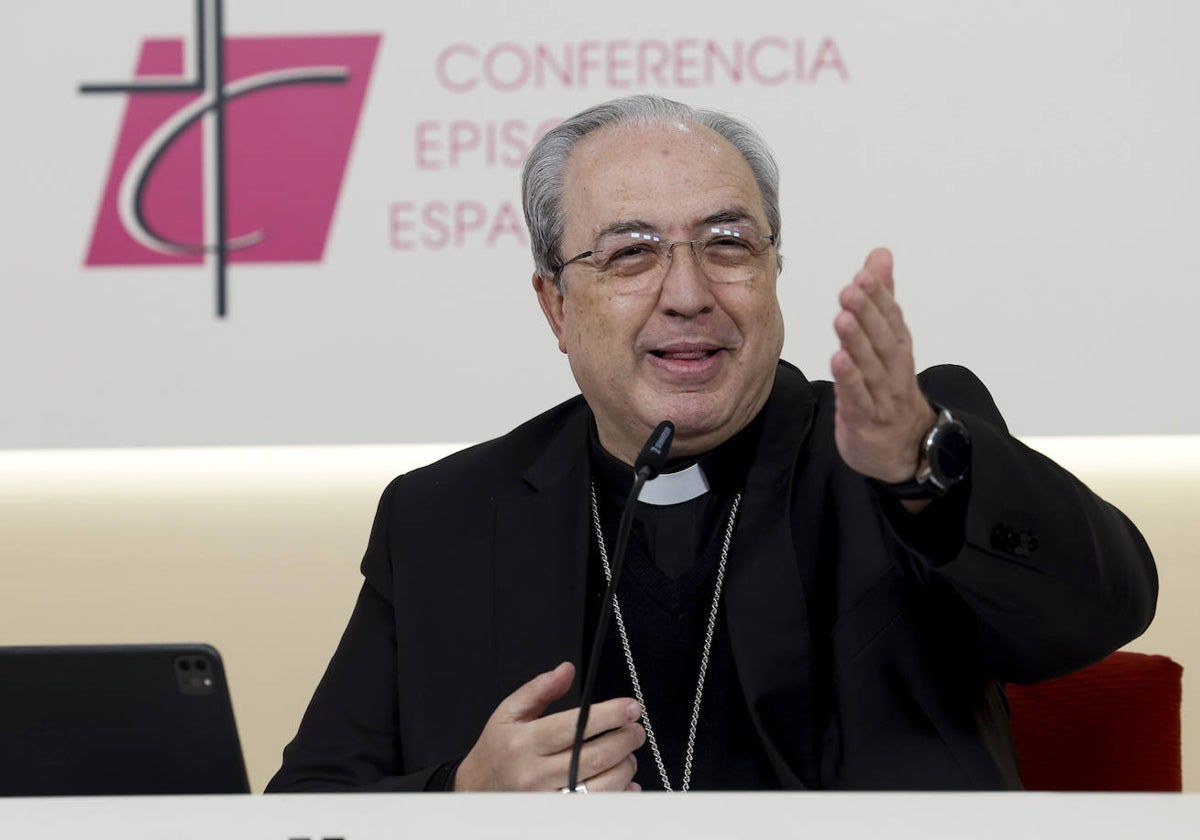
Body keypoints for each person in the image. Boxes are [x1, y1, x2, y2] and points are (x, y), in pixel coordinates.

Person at [266, 94, 1157, 792]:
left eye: (728, 244)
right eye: (631, 254)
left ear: (773, 273)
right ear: (555, 308)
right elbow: (309, 804)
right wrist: (462, 798)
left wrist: (926, 465)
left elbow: (1099, 614)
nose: (689, 292)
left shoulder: (900, 450)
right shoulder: (445, 519)